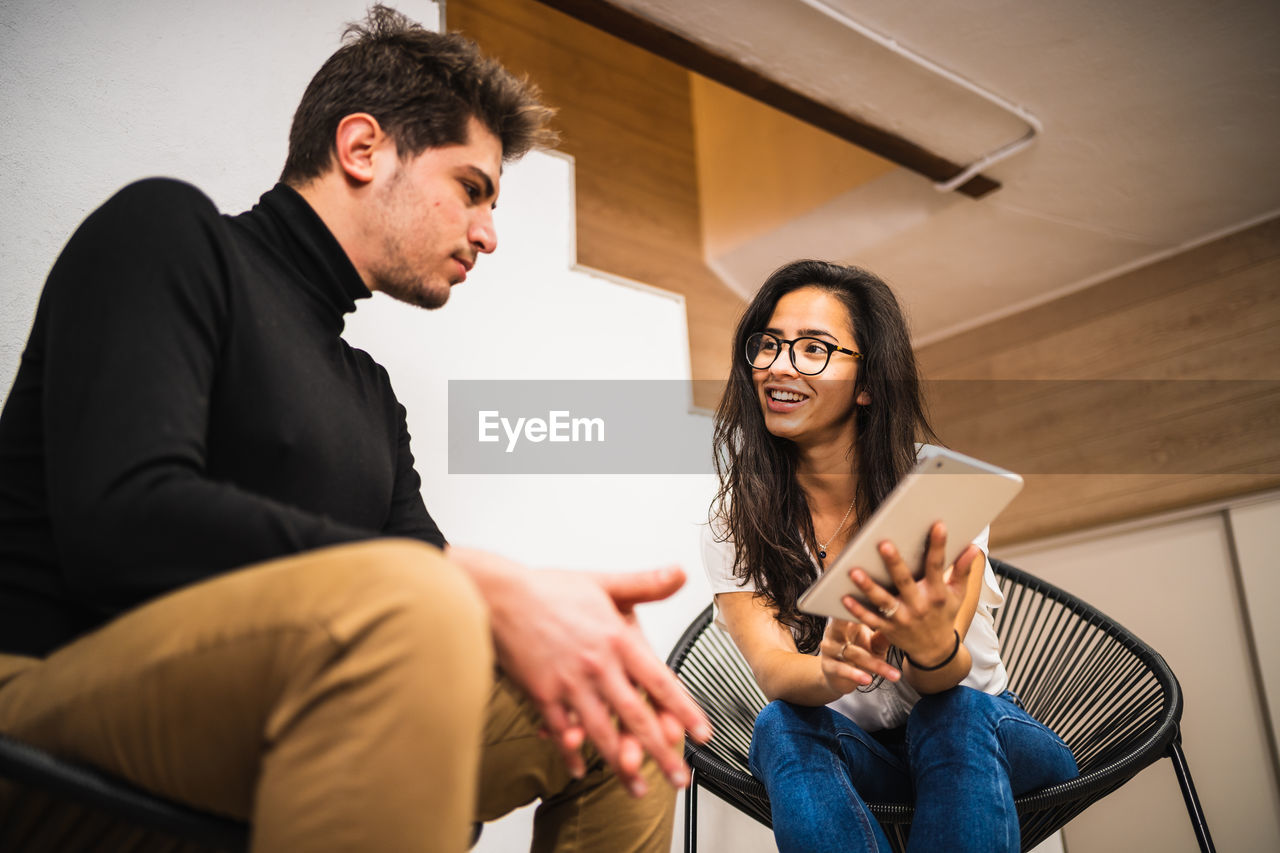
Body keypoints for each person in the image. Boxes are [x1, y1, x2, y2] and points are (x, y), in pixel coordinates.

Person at [0, 6, 710, 851]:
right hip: (45, 701)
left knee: (627, 716)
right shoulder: (166, 235)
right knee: (419, 600)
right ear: (363, 148)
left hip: (279, 709)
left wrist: (546, 618)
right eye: (472, 188)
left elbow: (432, 585)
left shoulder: (370, 394)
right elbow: (122, 525)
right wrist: (476, 584)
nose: (487, 231)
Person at [702, 259, 1077, 852]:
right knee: (780, 724)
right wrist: (829, 671)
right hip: (868, 759)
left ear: (868, 382)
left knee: (949, 714)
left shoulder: (934, 485)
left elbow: (947, 678)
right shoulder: (735, 520)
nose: (779, 366)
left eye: (814, 349)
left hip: (989, 732)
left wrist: (931, 648)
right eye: (769, 345)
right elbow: (774, 670)